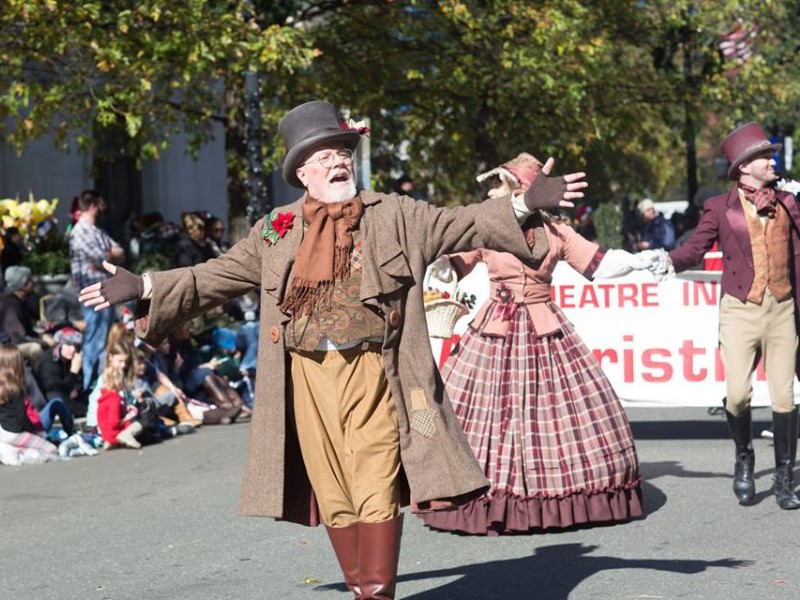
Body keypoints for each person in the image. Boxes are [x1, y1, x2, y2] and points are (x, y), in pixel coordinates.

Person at [79, 100, 587, 599]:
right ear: (302, 172)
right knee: (331, 483)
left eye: (342, 152)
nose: (338, 161)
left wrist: (522, 203)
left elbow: (465, 223)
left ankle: (375, 593)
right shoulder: (275, 230)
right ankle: (359, 585)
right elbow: (217, 276)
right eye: (323, 156)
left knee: (375, 475)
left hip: (379, 371)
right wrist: (144, 286)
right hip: (303, 376)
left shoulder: (396, 214)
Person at [418, 153, 644, 535]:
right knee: (474, 407)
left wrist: (644, 261)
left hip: (543, 325)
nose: (490, 191)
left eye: (497, 184)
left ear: (521, 190)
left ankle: (555, 497)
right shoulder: (486, 228)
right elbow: (451, 264)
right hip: (494, 325)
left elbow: (598, 264)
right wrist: (438, 273)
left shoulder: (556, 232)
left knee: (555, 412)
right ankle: (464, 488)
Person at [644, 121, 800, 510]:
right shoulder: (719, 207)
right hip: (739, 310)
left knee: (784, 397)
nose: (772, 161)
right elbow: (694, 249)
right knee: (738, 394)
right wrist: (663, 259)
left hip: (783, 307)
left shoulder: (790, 203)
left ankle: (784, 477)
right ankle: (744, 457)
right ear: (744, 166)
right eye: (765, 156)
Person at [69, 190, 125, 390]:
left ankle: (100, 386)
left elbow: (119, 254)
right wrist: (108, 257)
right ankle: (86, 388)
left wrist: (108, 257)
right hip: (92, 294)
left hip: (105, 291)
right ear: (92, 206)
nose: (101, 210)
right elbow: (103, 259)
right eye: (99, 206)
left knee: (104, 340)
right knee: (94, 340)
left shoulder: (97, 232)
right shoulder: (80, 232)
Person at [32, 327, 86, 420]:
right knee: (56, 397)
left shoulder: (74, 358)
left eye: (76, 346)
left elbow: (79, 382)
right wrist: (73, 372)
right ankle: (85, 412)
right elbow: (55, 390)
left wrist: (77, 389)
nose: (72, 349)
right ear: (60, 345)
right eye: (68, 345)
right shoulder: (48, 361)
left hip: (69, 395)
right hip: (47, 400)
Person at [0, 265, 50, 362]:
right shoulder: (11, 304)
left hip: (16, 342)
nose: (33, 283)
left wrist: (43, 336)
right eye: (30, 280)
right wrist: (44, 342)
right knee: (35, 349)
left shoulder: (21, 301)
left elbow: (28, 331)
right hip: (8, 348)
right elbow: (19, 337)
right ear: (23, 284)